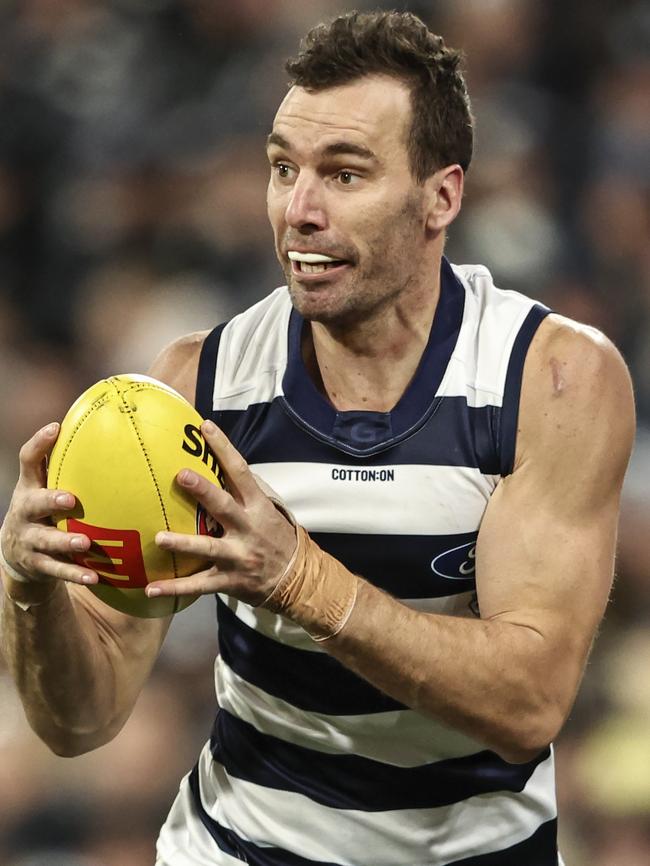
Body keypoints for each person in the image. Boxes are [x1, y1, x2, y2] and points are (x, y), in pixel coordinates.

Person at [0, 11, 635, 866]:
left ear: (441, 197)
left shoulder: (548, 380)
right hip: (237, 847)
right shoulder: (199, 389)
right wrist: (27, 589)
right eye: (281, 168)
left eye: (344, 174)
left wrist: (300, 580)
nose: (297, 211)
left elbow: (528, 703)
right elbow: (82, 722)